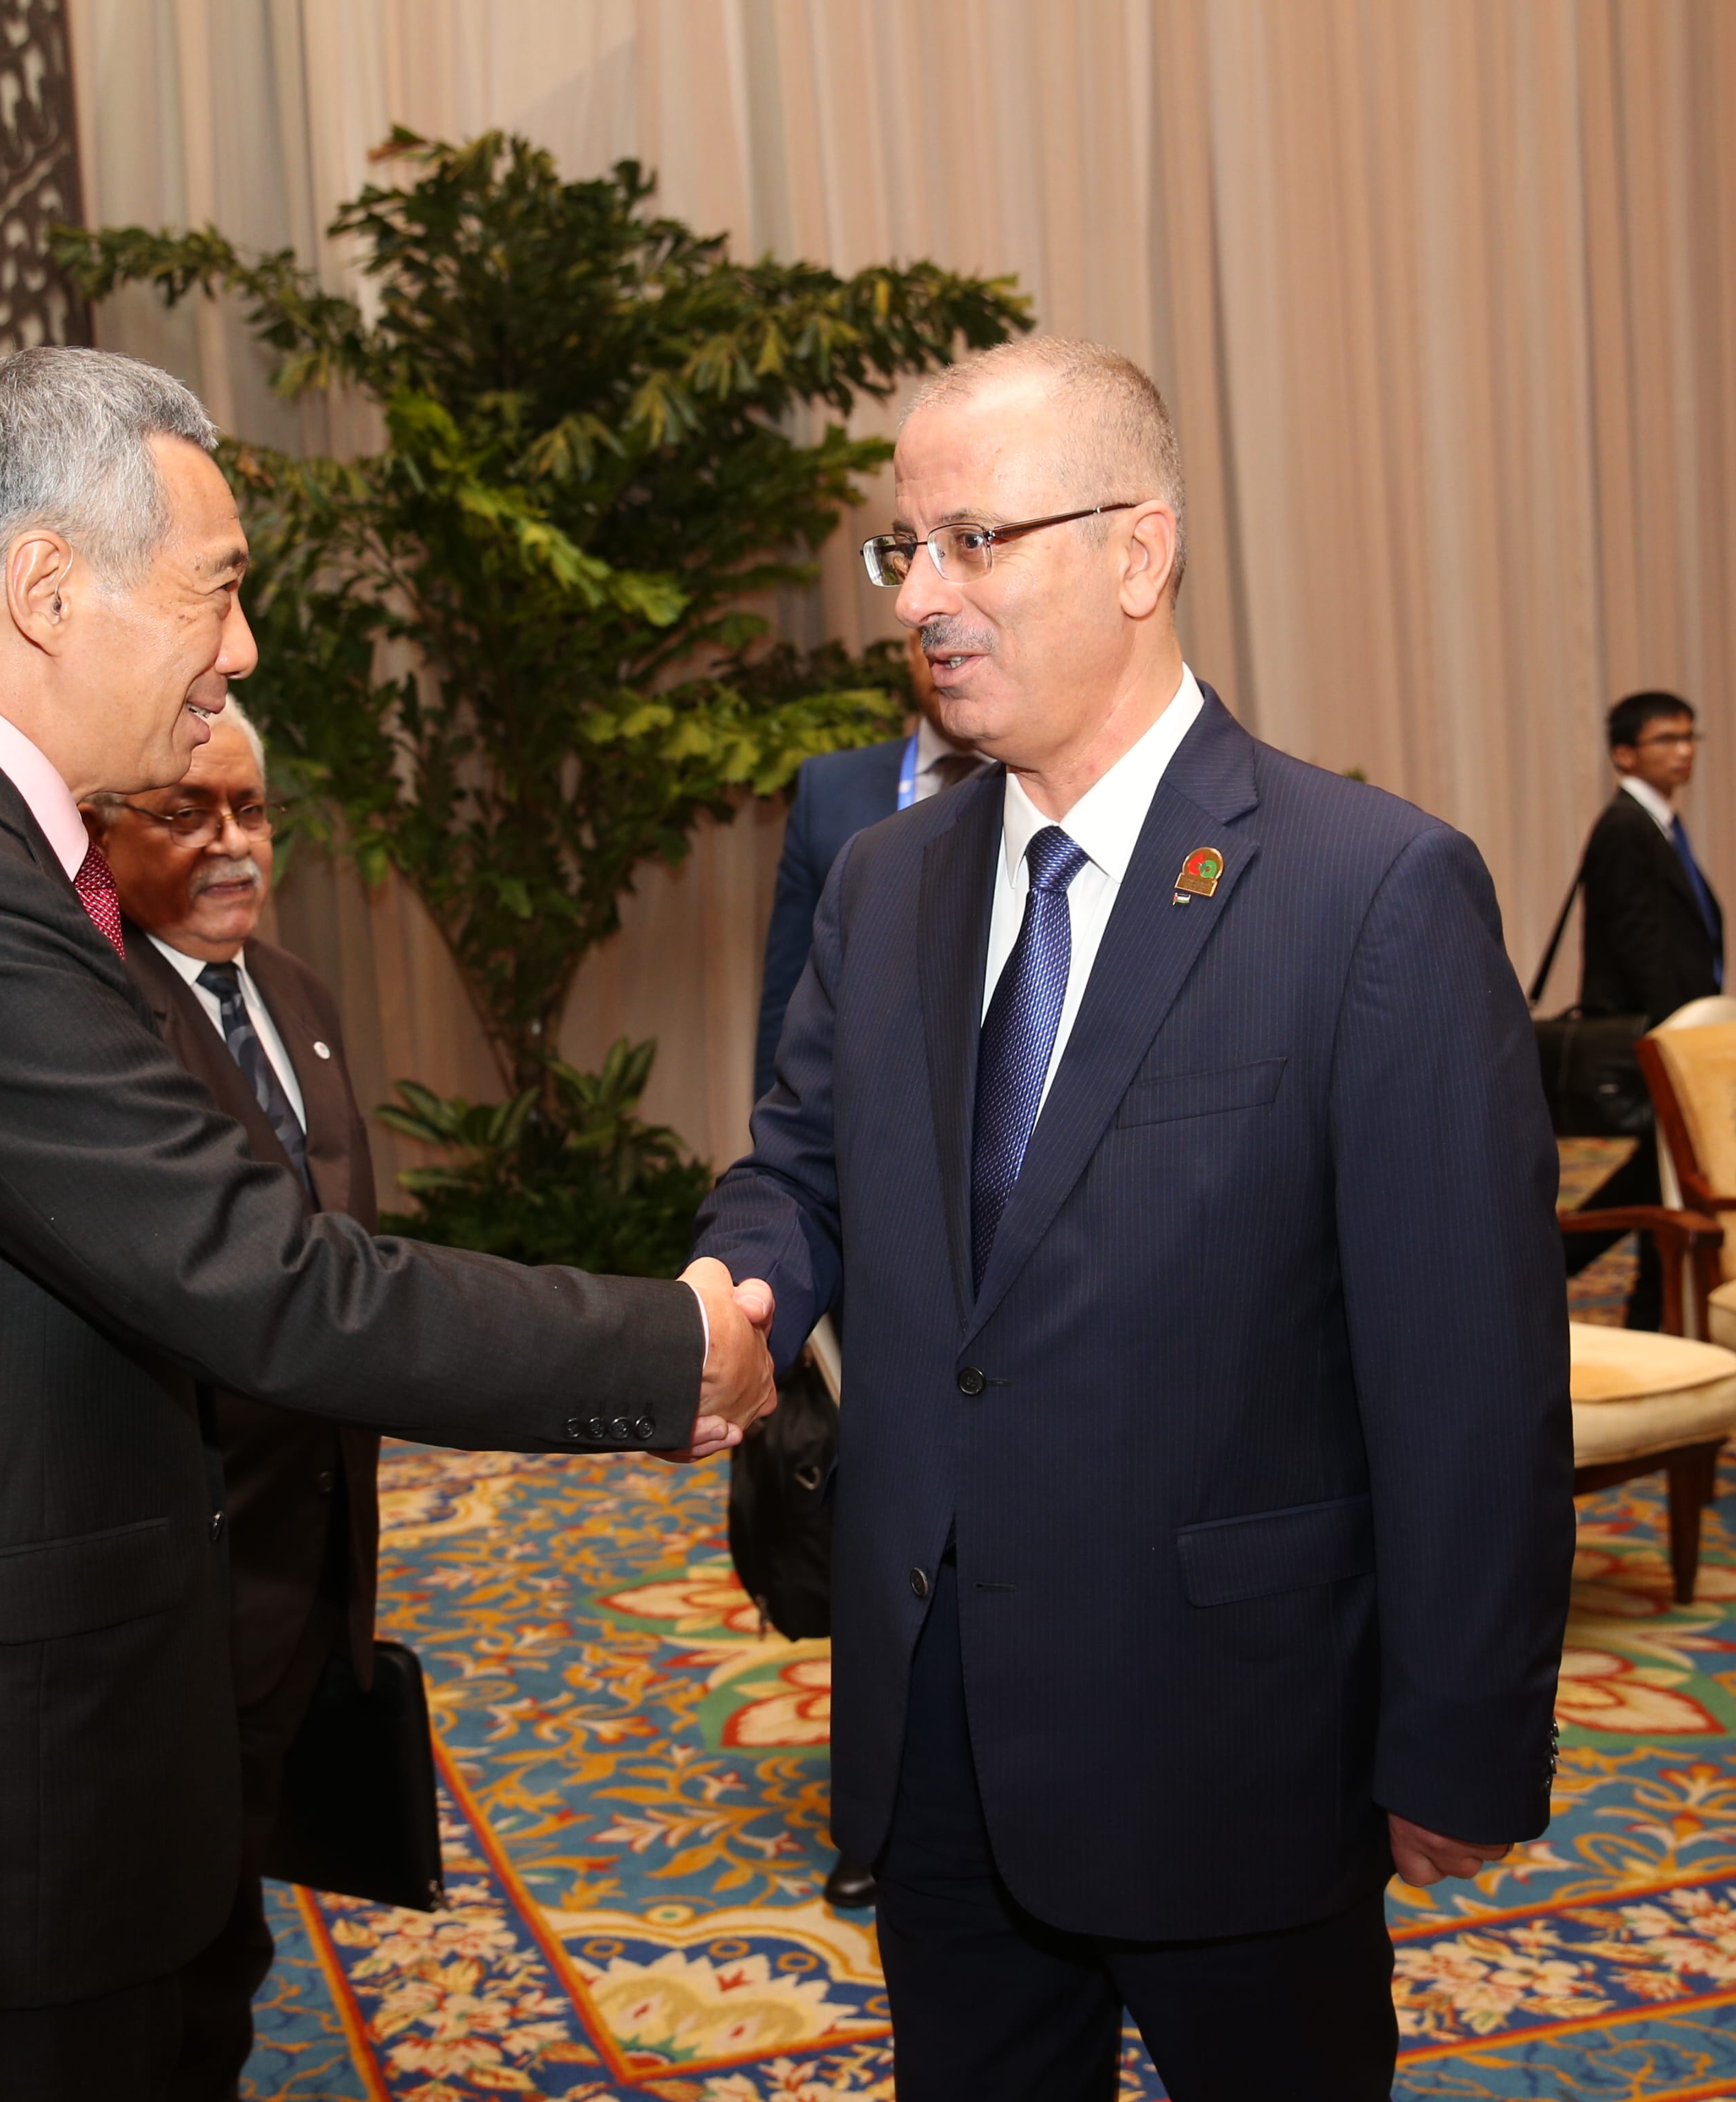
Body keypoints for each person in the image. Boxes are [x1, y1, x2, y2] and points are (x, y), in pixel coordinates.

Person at [0, 346, 777, 2100]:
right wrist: (671, 1349)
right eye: (216, 588)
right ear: (49, 586)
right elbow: (263, 1279)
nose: (244, 647)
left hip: (40, 1763)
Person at [695, 337, 1572, 2100]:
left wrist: (1461, 1739)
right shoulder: (883, 882)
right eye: (904, 549)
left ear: (1137, 552)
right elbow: (799, 1164)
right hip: (937, 1712)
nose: (918, 597)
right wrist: (734, 1288)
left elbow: (1468, 1369)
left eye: (972, 541)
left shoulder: (1370, 890)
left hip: (1233, 1735)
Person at [82, 705, 381, 2099]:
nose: (232, 845)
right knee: (169, 1941)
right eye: (186, 812)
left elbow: (347, 1264)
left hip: (304, 1548)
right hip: (176, 1573)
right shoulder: (95, 1020)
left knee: (236, 1911)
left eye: (251, 810)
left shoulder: (298, 996)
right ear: (101, 832)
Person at [749, 653, 985, 1916]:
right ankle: (877, 1807)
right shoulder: (838, 799)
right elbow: (789, 1017)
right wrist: (777, 1239)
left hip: (1013, 1207)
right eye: (909, 561)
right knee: (875, 1502)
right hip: (870, 1211)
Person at [1561, 690, 1726, 1329]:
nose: (1684, 752)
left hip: (1672, 1032)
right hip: (1658, 1036)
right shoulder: (1627, 826)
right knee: (1659, 1180)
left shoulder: (1658, 824)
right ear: (1625, 754)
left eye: (1690, 738)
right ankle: (1553, 1269)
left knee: (1662, 1180)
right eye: (1667, 739)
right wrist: (1678, 1040)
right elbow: (1639, 944)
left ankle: (1647, 1312)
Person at [755, 651, 987, 1100]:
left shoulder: (1041, 781)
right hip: (865, 1105)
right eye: (929, 635)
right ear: (909, 650)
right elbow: (789, 990)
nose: (948, 652)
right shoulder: (829, 788)